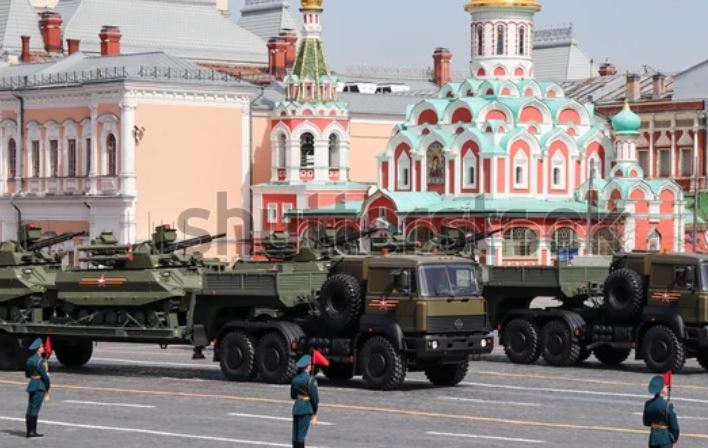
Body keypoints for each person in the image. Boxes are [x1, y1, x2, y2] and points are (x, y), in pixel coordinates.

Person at [290, 354, 319, 448]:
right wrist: (314, 411)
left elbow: (293, 395)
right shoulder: (311, 380)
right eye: (310, 364)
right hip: (306, 409)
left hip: (297, 408)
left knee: (295, 436)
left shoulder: (295, 380)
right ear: (307, 366)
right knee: (301, 436)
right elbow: (315, 399)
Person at [643, 375, 679, 448]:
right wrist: (674, 439)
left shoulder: (648, 404)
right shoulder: (667, 405)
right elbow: (674, 426)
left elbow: (646, 422)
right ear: (661, 390)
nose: (667, 388)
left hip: (653, 439)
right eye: (665, 386)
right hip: (665, 440)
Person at [25, 338, 50, 438]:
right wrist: (48, 385)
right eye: (42, 347)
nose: (43, 348)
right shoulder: (39, 361)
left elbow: (27, 374)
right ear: (38, 349)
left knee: (30, 407)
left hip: (32, 384)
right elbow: (44, 376)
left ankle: (29, 431)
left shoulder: (29, 360)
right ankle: (32, 432)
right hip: (39, 385)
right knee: (35, 409)